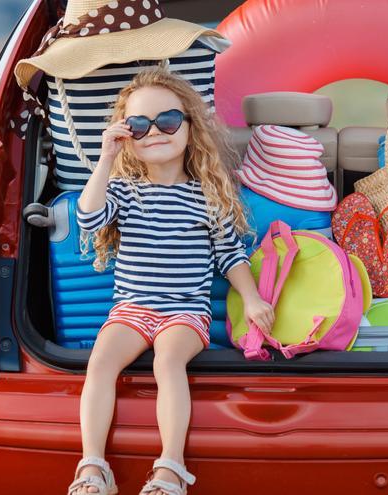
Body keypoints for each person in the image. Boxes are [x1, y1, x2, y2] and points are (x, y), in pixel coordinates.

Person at [68, 68, 275, 495]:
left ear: (189, 126)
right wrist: (105, 158)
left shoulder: (206, 196)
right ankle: (92, 467)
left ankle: (171, 468)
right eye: (139, 126)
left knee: (168, 361)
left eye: (168, 121)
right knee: (101, 364)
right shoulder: (124, 191)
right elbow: (87, 217)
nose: (156, 132)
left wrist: (252, 298)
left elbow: (230, 256)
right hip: (132, 308)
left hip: (185, 312)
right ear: (127, 136)